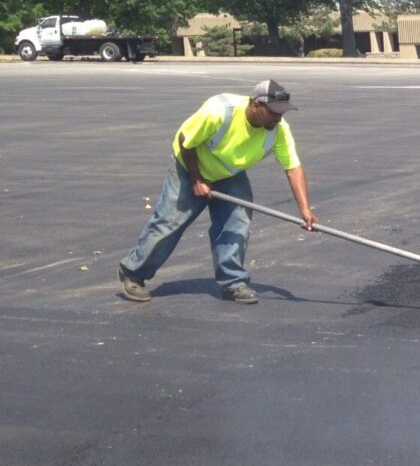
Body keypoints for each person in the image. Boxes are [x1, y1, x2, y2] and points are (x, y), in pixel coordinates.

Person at [118, 80, 315, 304]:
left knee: (237, 223)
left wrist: (305, 210)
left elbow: (293, 168)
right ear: (255, 105)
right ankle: (133, 273)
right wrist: (196, 179)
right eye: (273, 113)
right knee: (169, 222)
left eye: (282, 113)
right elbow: (186, 140)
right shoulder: (219, 111)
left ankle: (233, 282)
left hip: (229, 173)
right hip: (189, 165)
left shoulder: (278, 129)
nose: (278, 118)